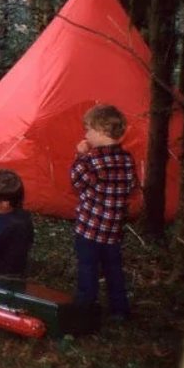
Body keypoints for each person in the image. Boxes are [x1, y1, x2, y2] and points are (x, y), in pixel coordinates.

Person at [71, 104, 139, 319]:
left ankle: (85, 307)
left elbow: (76, 180)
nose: (86, 135)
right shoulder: (128, 159)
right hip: (113, 229)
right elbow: (131, 186)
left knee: (88, 268)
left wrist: (80, 156)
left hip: (89, 228)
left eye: (89, 130)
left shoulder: (91, 159)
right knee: (113, 269)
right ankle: (119, 310)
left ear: (101, 131)